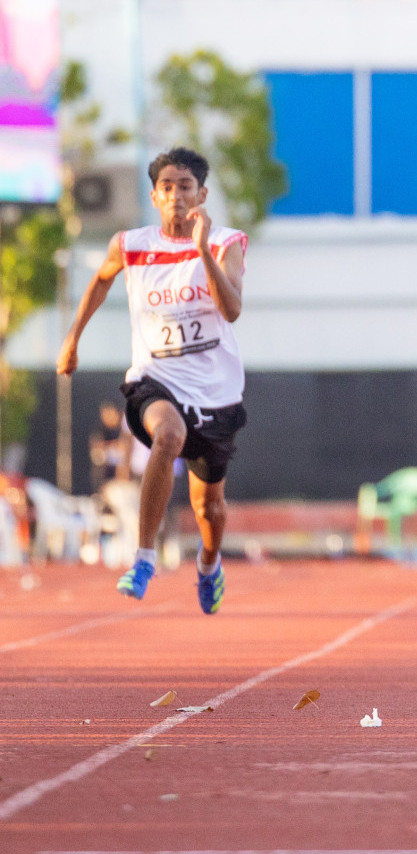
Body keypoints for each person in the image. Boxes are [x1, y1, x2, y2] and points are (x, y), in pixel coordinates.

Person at [57, 147, 248, 614]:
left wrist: (201, 250)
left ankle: (208, 562)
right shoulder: (131, 244)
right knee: (167, 436)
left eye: (186, 187)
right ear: (154, 196)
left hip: (216, 393)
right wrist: (72, 339)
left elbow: (232, 309)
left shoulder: (226, 243)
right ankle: (143, 558)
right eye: (167, 187)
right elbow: (101, 280)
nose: (177, 196)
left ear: (202, 194)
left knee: (210, 510)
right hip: (155, 379)